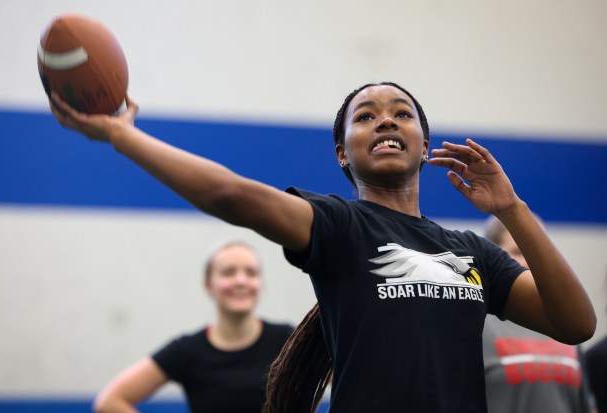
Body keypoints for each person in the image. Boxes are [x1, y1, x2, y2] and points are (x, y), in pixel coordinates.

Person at [48, 81, 596, 413]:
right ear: (342, 153)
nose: (386, 118)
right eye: (366, 115)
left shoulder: (474, 252)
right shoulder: (339, 227)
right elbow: (229, 193)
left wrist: (511, 209)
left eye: (402, 113)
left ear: (425, 145)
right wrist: (123, 135)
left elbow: (575, 324)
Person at [92, 240, 293, 413]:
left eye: (251, 273)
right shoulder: (188, 350)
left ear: (261, 283)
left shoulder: (287, 340)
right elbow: (109, 402)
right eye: (228, 272)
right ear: (208, 284)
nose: (241, 280)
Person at [482, 216, 593, 413]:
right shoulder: (478, 326)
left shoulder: (566, 325)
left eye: (533, 251)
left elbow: (586, 405)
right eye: (517, 251)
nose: (529, 260)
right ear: (493, 259)